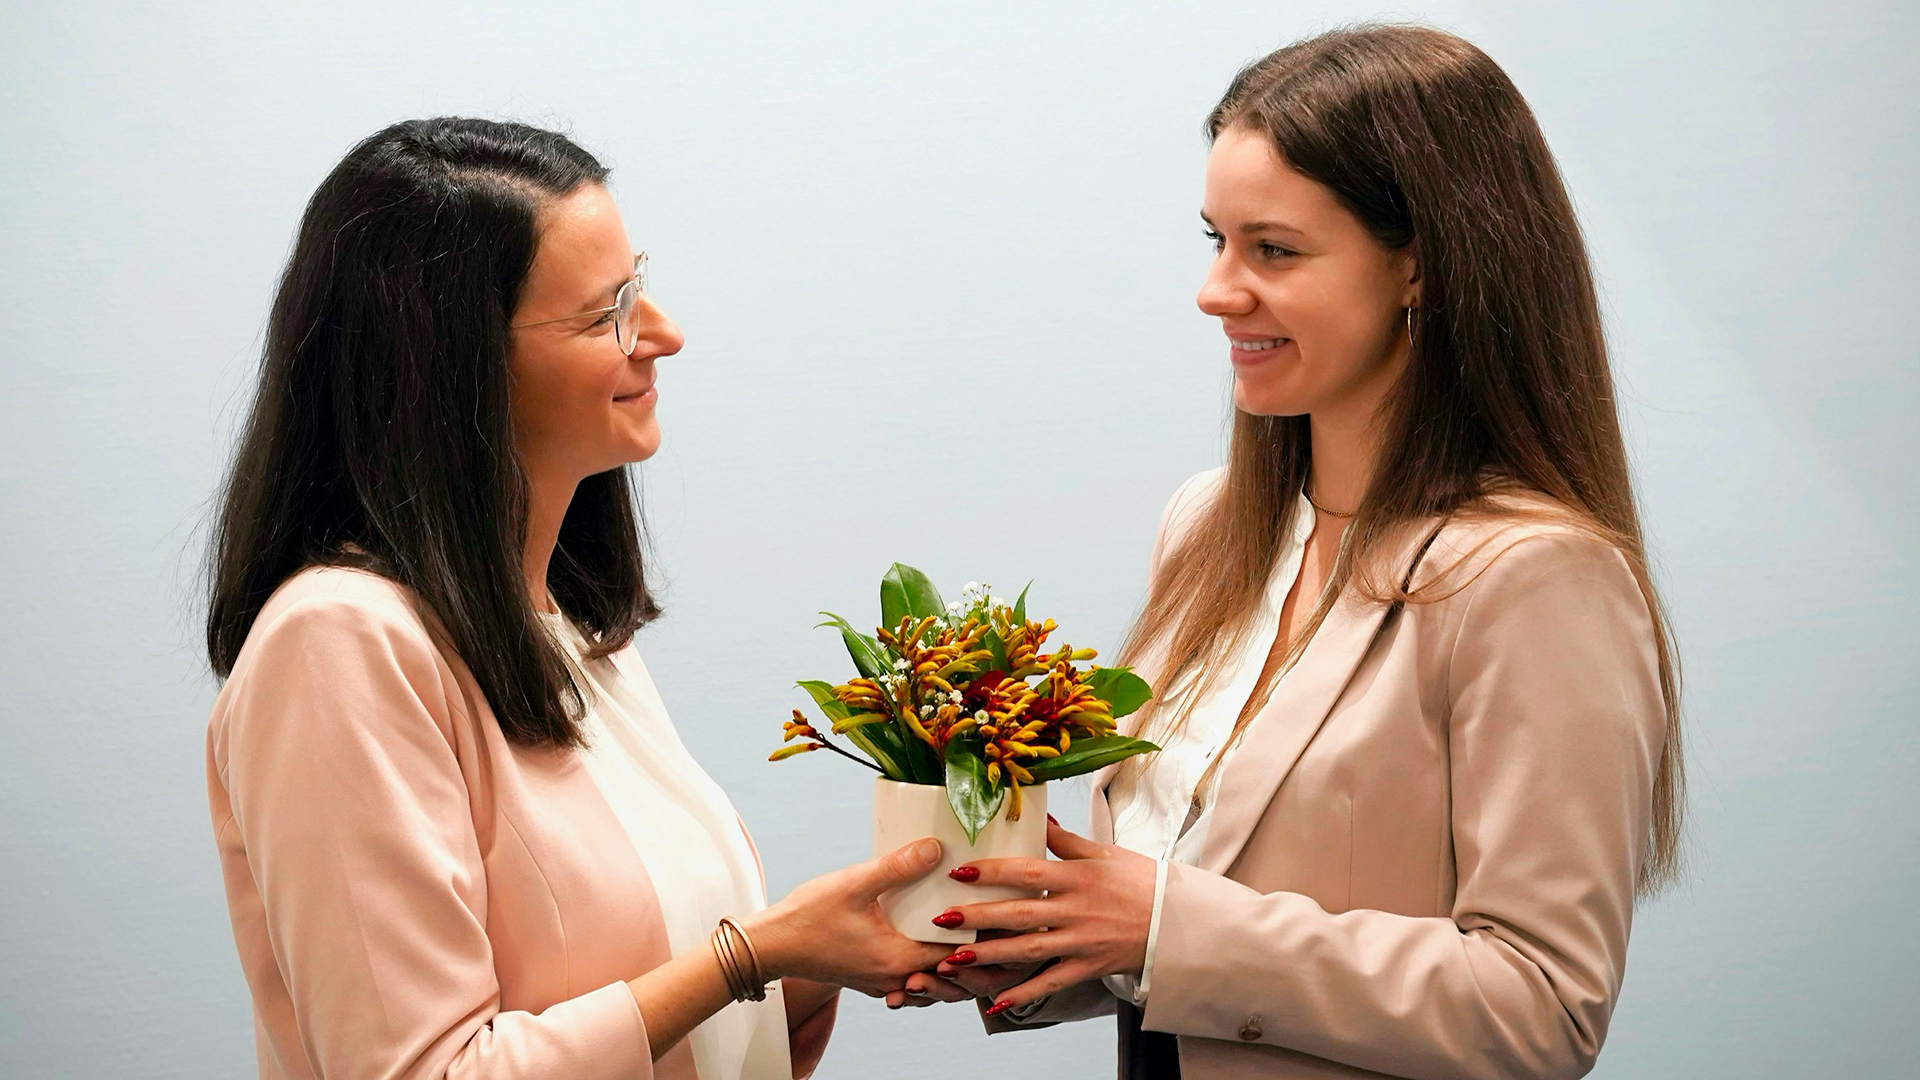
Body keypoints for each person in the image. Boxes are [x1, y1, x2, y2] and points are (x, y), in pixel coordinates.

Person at [896, 25, 1684, 1080]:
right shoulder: (1207, 527)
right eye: (1215, 239)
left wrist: (1168, 929)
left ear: (1421, 268)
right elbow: (1186, 898)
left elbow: (1543, 1006)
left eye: (1274, 250)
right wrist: (1040, 943)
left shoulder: (1534, 579)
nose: (1218, 290)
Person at [202, 117, 949, 1080]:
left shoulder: (568, 630)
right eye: (608, 315)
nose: (665, 336)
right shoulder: (338, 644)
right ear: (454, 372)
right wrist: (751, 958)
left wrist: (829, 960)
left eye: (637, 287)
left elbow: (646, 1000)